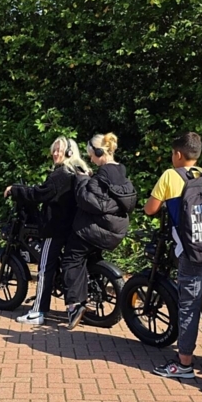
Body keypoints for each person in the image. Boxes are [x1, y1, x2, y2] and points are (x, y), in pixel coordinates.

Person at [144, 132, 202, 379]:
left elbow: (150, 209)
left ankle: (184, 364)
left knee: (188, 305)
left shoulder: (170, 175)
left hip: (191, 250)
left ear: (178, 154)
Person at [5, 137, 89, 325]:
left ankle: (38, 312)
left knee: (44, 269)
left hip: (55, 228)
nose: (55, 153)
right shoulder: (80, 171)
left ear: (69, 152)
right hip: (74, 228)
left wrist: (15, 190)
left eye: (59, 150)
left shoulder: (61, 174)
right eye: (54, 150)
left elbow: (39, 194)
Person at [60, 133, 137, 329]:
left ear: (99, 152)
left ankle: (74, 306)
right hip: (114, 229)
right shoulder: (120, 173)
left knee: (71, 258)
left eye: (92, 155)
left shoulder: (101, 176)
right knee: (89, 258)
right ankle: (91, 289)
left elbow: (89, 201)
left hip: (95, 229)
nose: (91, 159)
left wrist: (83, 180)